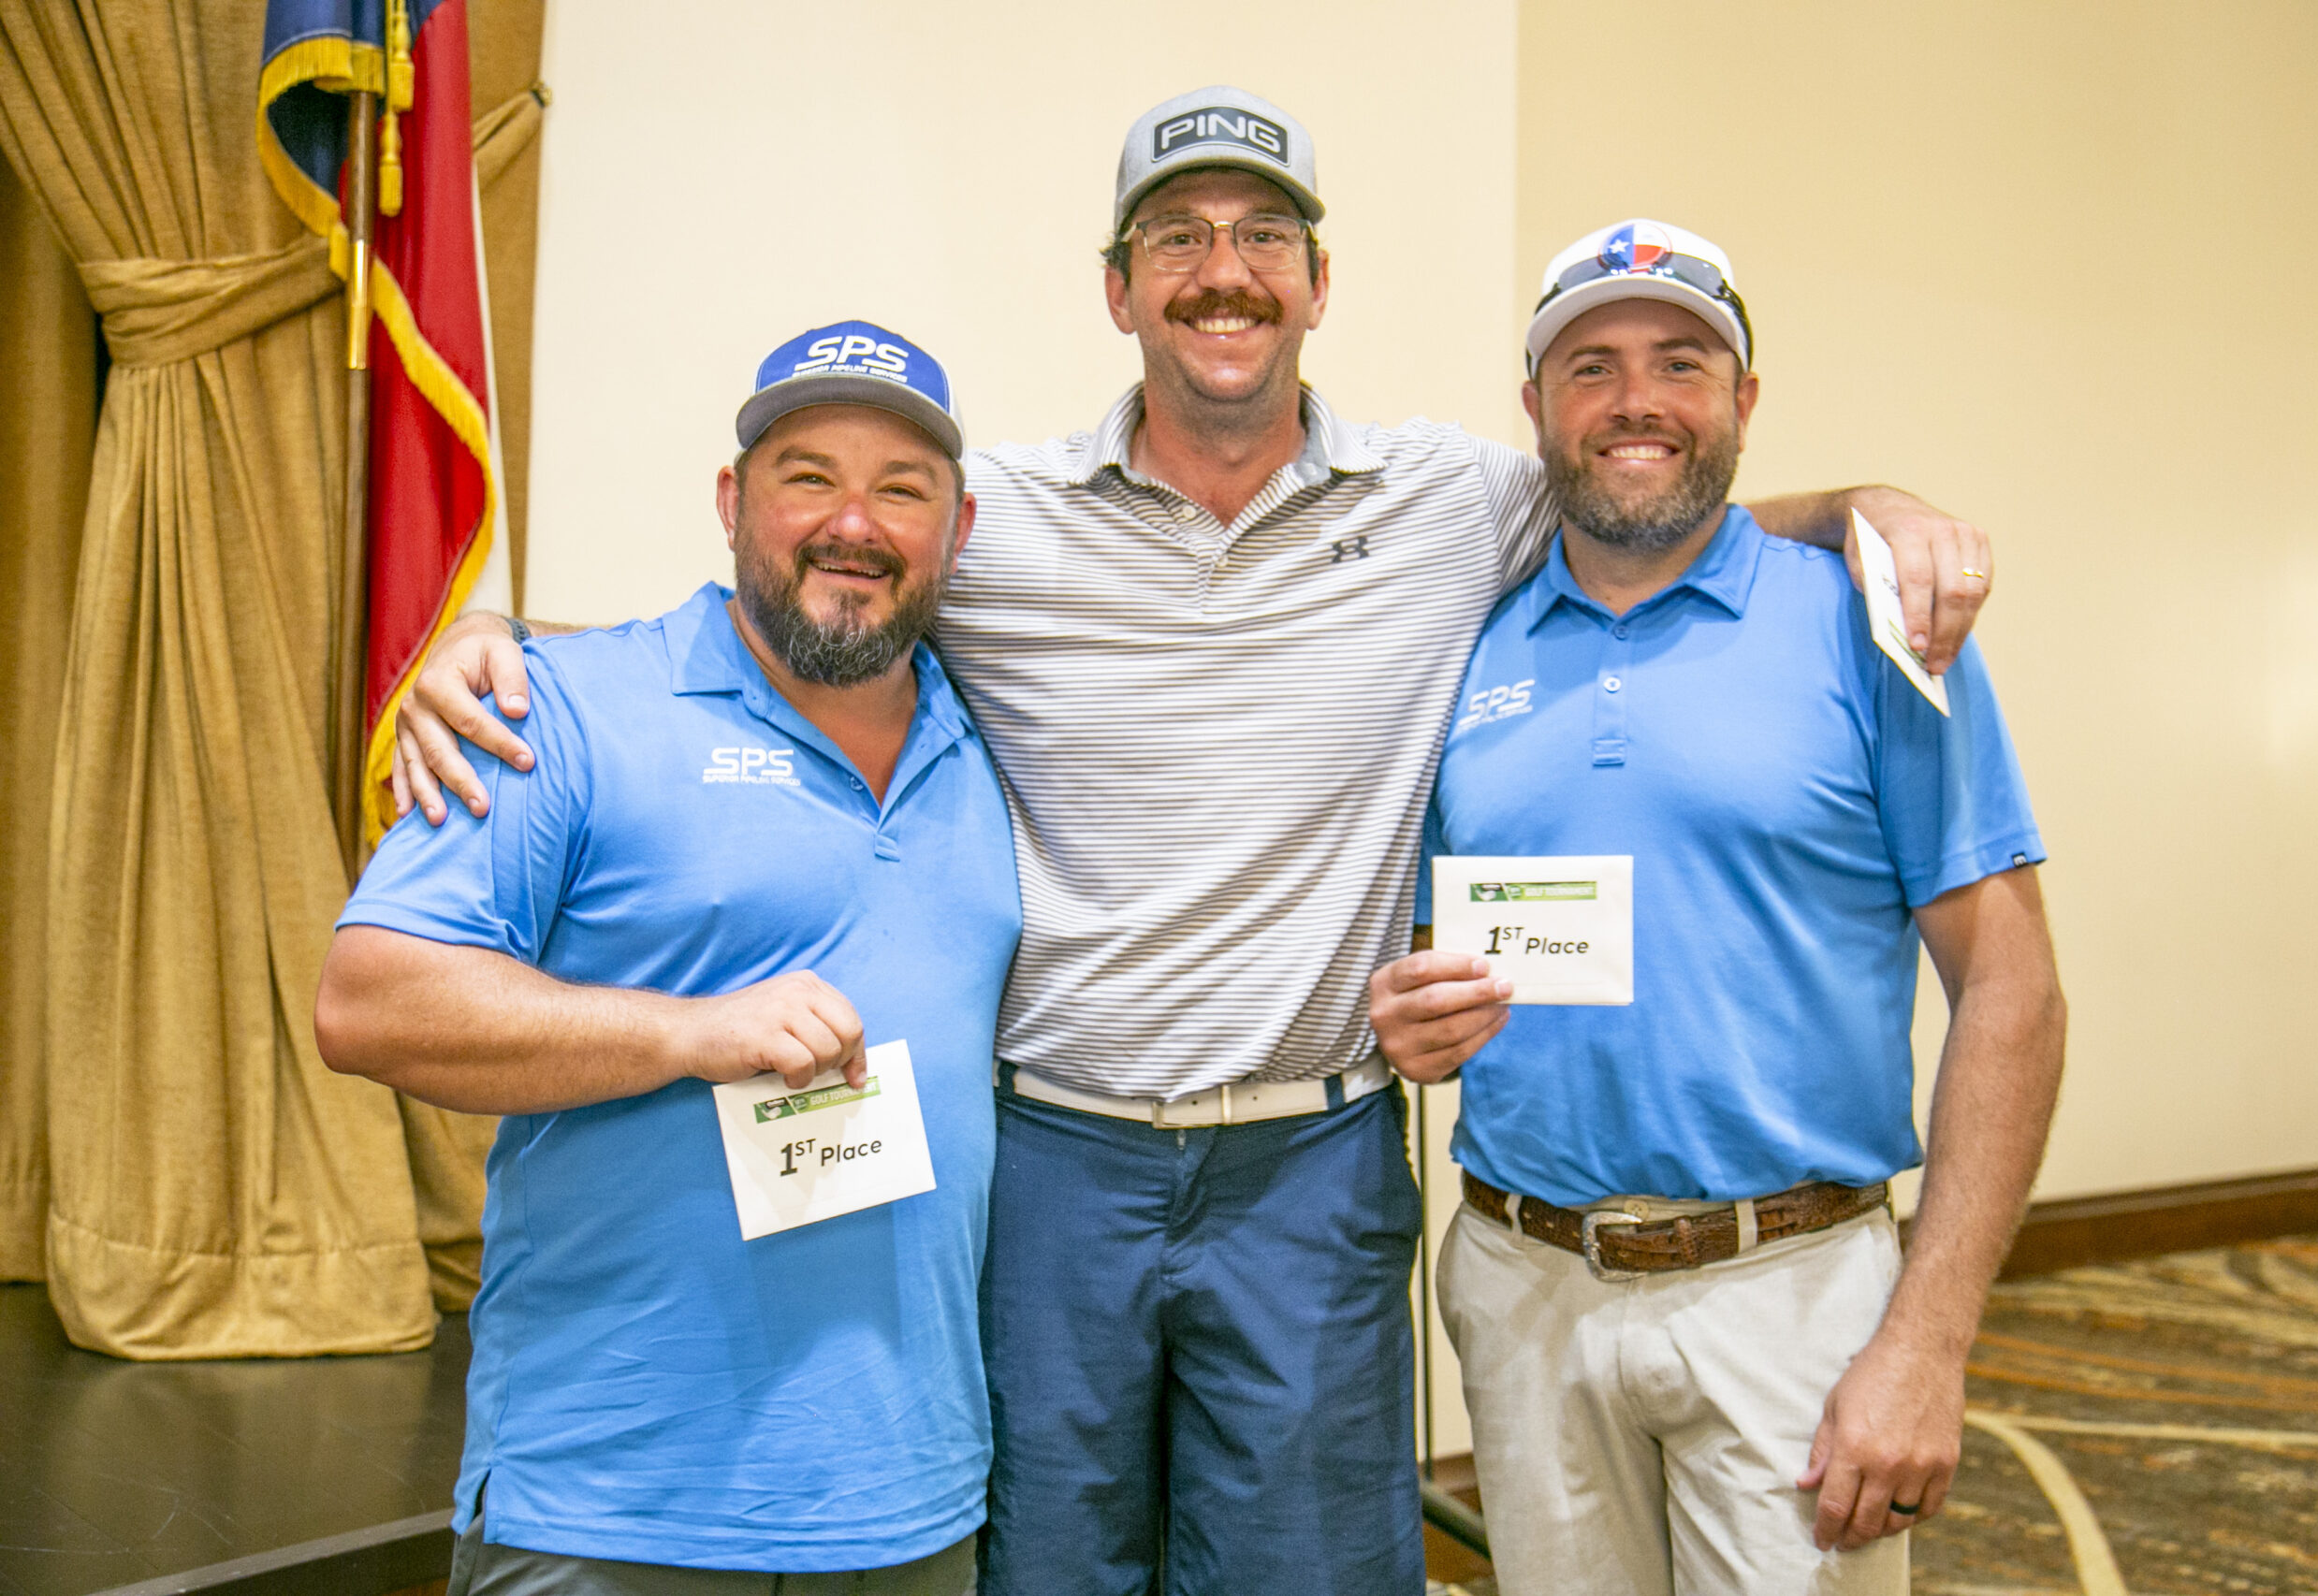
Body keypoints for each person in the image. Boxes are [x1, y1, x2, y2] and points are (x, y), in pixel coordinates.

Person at [390, 90, 1999, 1596]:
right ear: (1119, 290)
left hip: (1311, 1162)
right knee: (1048, 1563)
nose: (1222, 272)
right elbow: (813, 589)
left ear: (1316, 284)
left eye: (1262, 239)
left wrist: (1873, 502)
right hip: (1059, 1163)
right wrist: (509, 639)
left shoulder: (1453, 499)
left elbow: (1650, 487)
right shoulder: (992, 514)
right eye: (1177, 239)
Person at [1369, 219, 2067, 1596]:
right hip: (1525, 1284)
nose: (1636, 401)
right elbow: (1424, 941)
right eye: (1593, 367)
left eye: (1681, 363)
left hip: (1793, 1293)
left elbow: (2015, 988)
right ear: (1535, 409)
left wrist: (1926, 1342)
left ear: (1745, 400)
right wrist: (1412, 1011)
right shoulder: (1469, 644)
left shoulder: (1874, 625)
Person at [313, 322, 1018, 1595]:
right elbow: (369, 998)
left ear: (956, 530)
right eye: (807, 475)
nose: (852, 521)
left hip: (912, 1511)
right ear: (730, 501)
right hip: (615, 1510)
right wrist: (685, 1033)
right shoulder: (562, 711)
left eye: (900, 489)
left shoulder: (998, 737)